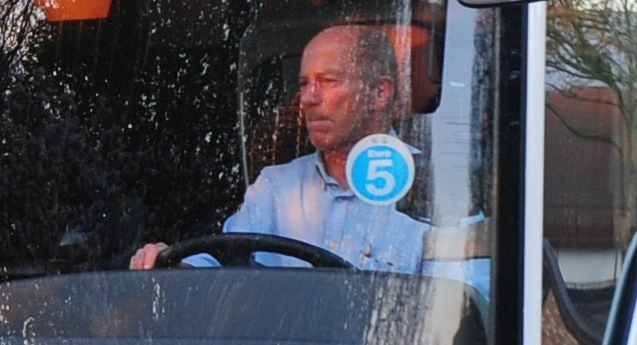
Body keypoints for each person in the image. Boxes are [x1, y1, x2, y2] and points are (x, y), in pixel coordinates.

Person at [131, 23, 426, 276]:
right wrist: (170, 263)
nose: (307, 98)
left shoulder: (430, 189)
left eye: (328, 81)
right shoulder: (276, 187)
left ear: (379, 93)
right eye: (304, 83)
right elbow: (220, 267)